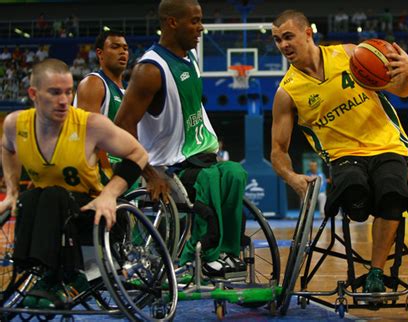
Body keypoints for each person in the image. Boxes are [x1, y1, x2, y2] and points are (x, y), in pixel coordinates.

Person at [270, 10, 408, 294]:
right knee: (354, 193)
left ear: (307, 33)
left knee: (391, 194)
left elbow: (403, 91)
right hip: (343, 156)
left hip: (387, 145)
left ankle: (376, 272)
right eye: (277, 40)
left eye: (288, 36)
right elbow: (278, 150)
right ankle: (362, 205)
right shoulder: (287, 93)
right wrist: (291, 177)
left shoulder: (353, 57)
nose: (283, 45)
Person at [114, 0, 247, 277]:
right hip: (168, 168)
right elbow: (122, 125)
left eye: (201, 20)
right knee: (208, 180)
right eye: (195, 21)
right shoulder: (150, 70)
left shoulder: (190, 57)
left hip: (198, 159)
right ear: (172, 22)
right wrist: (149, 173)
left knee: (235, 173)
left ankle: (227, 252)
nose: (201, 27)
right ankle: (201, 254)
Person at [0, 58, 147, 308]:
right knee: (30, 198)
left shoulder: (91, 124)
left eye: (68, 92)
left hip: (98, 218)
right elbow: (7, 148)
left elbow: (139, 154)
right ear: (33, 94)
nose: (63, 100)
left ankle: (71, 276)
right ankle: (43, 274)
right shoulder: (16, 124)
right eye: (55, 92)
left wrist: (110, 194)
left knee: (51, 194)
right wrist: (12, 191)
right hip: (53, 214)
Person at [74, 30, 131, 186]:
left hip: (125, 169)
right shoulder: (93, 83)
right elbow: (88, 135)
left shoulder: (128, 90)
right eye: (115, 47)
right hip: (102, 171)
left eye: (125, 48)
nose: (122, 52)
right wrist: (107, 173)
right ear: (100, 53)